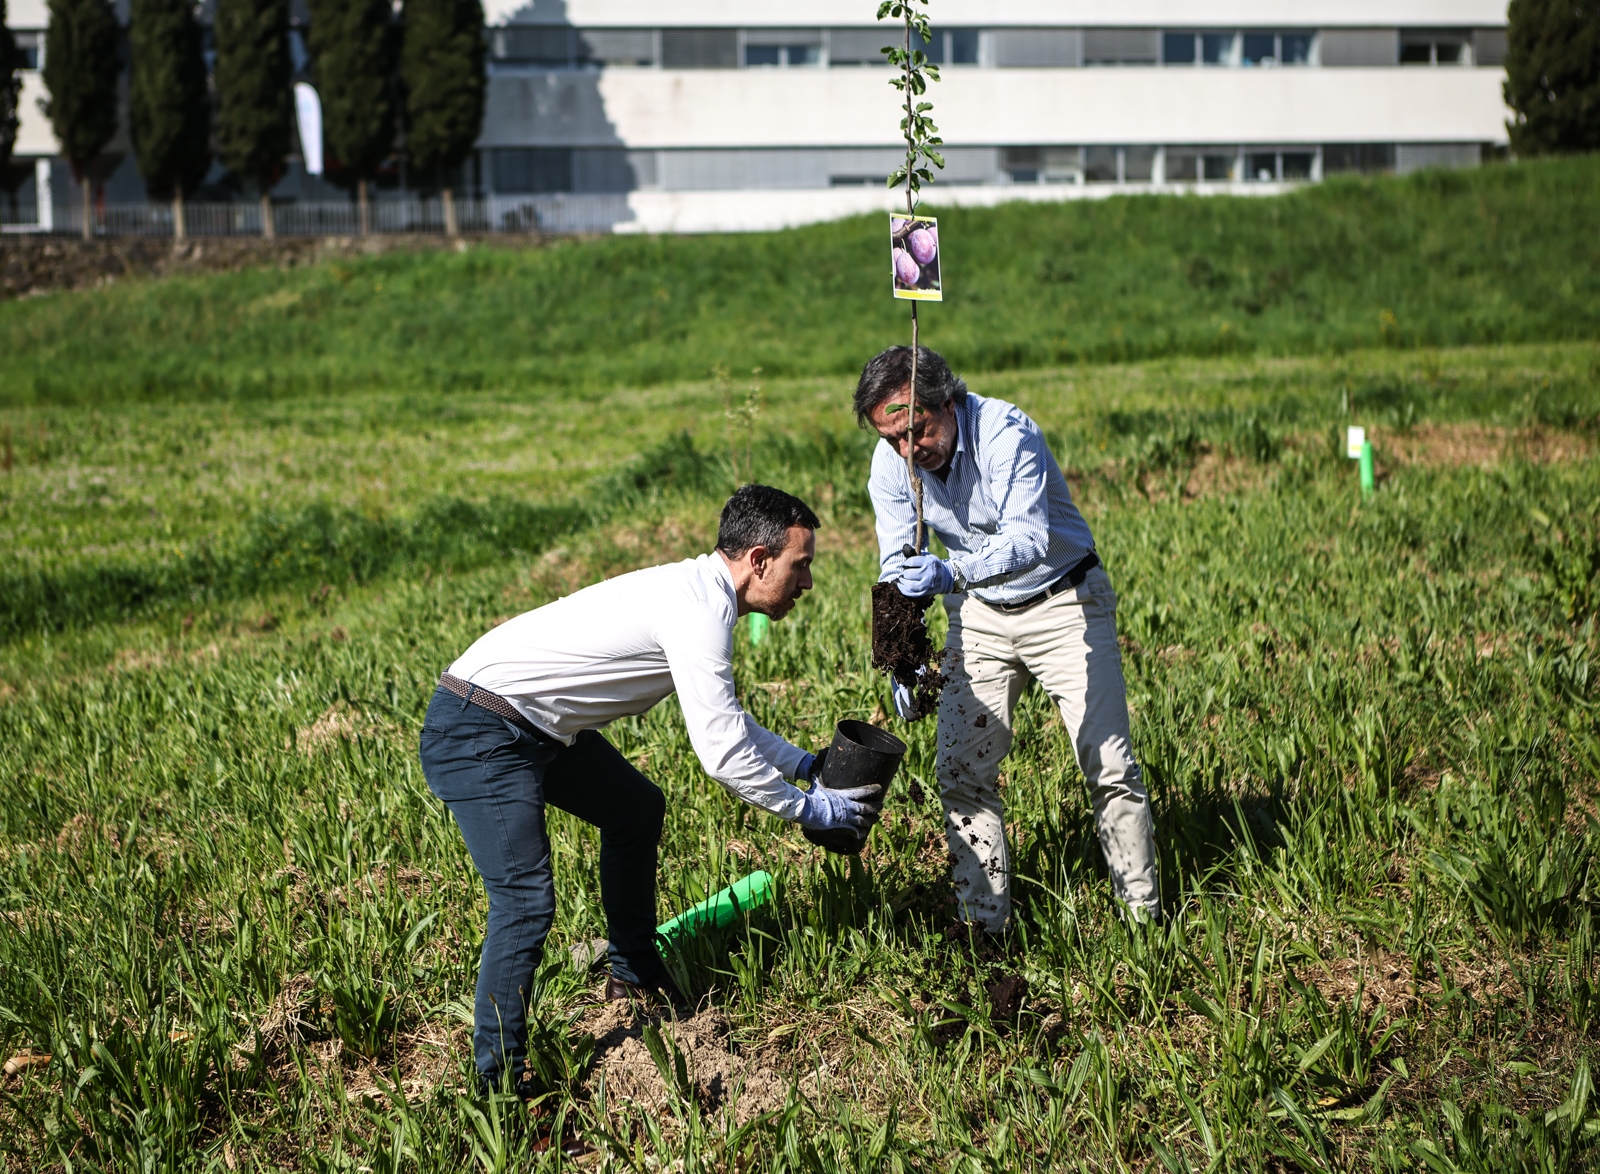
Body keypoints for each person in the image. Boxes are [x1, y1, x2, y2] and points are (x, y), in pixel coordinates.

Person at [419, 484, 879, 1097]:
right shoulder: (698, 611)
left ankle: (633, 973)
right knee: (525, 902)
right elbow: (721, 753)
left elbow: (728, 722)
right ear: (760, 560)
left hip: (536, 725)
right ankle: (499, 1087)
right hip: (482, 728)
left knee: (636, 810)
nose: (809, 582)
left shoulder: (699, 595)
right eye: (803, 565)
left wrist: (805, 765)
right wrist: (810, 808)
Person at [856, 346, 1160, 932]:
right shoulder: (892, 463)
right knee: (961, 773)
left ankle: (1142, 921)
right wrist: (901, 653)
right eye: (891, 438)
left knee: (1109, 766)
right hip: (979, 617)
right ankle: (984, 928)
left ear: (947, 401)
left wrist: (951, 572)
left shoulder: (1004, 432)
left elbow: (1028, 539)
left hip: (1063, 601)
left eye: (915, 432)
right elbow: (897, 557)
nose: (906, 451)